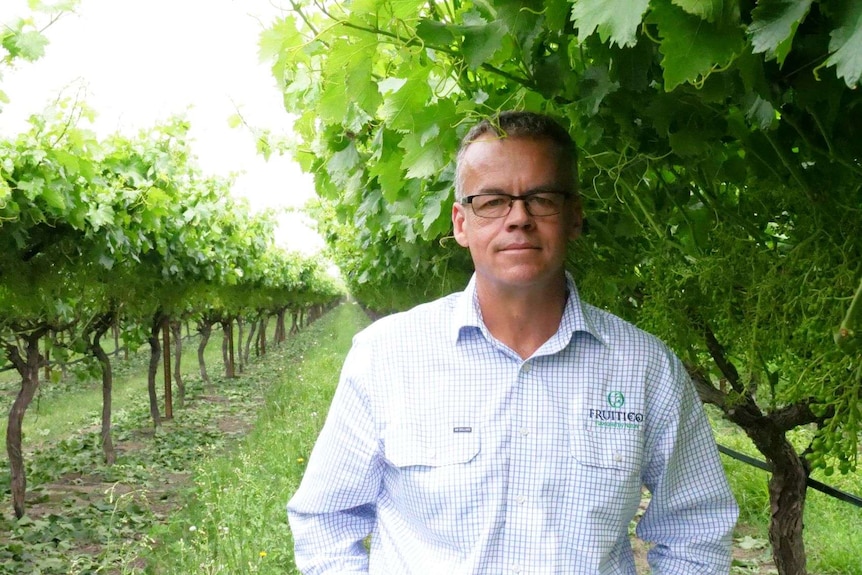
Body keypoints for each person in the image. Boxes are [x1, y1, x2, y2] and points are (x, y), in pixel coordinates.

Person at [287, 111, 738, 574]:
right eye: (492, 201)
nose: (518, 218)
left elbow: (694, 530)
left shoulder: (646, 367)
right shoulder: (385, 355)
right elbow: (326, 520)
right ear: (461, 223)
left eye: (541, 199)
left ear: (575, 217)